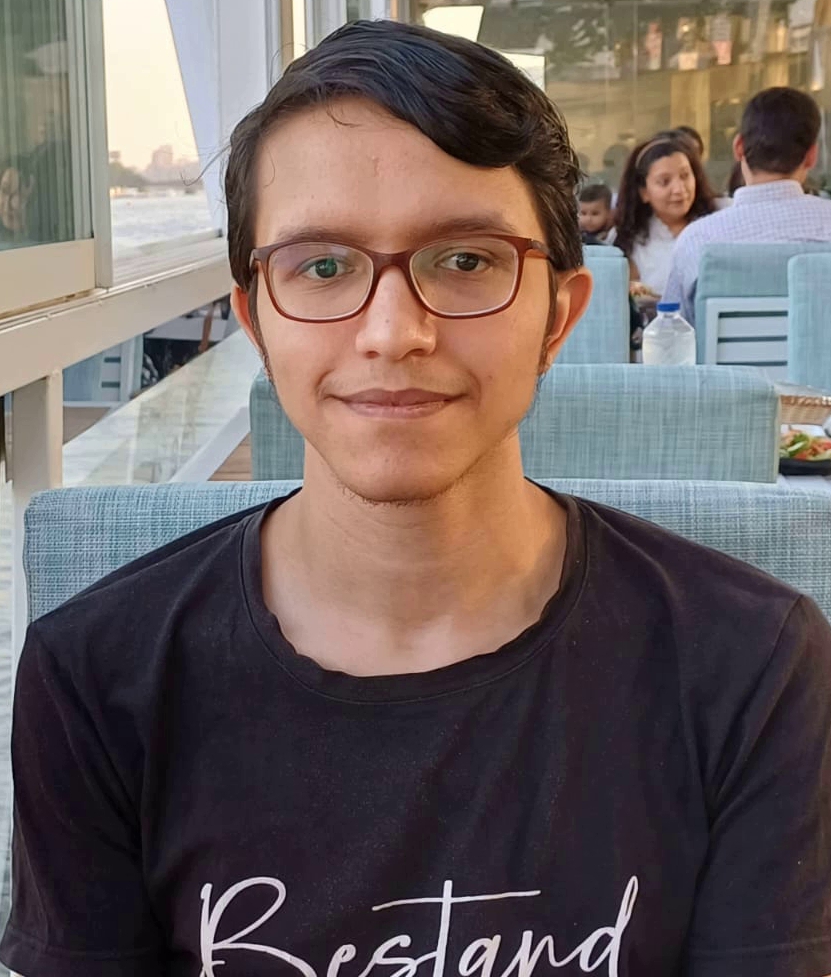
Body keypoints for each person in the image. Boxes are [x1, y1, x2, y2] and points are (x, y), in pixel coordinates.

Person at [2, 20, 831, 977]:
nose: (393, 331)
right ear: (256, 322)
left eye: (466, 260)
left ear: (558, 315)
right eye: (322, 267)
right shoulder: (98, 679)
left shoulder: (746, 664)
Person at [663, 87, 831, 322]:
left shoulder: (697, 241)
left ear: (738, 147)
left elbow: (672, 335)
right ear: (812, 156)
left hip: (724, 359)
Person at [609, 132, 716, 297]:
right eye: (664, 182)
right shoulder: (629, 239)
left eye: (685, 176)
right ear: (644, 192)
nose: (679, 189)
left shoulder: (717, 222)